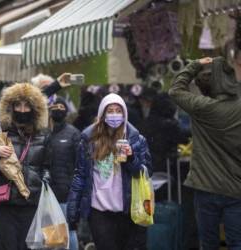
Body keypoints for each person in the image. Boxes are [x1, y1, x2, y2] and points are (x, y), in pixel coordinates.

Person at [168, 57, 241, 249]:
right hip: (236, 188)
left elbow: (175, 90)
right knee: (237, 243)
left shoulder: (203, 108)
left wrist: (195, 65)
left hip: (205, 186)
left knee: (208, 243)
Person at [67, 93, 152, 250]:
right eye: (110, 111)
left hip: (128, 209)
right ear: (102, 114)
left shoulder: (136, 140)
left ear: (124, 113)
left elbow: (145, 172)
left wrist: (131, 157)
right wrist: (73, 210)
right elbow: (80, 175)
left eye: (118, 111)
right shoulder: (89, 140)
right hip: (98, 209)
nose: (114, 115)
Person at [0, 83, 51, 250]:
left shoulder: (43, 135)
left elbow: (48, 166)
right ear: (10, 107)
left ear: (35, 109)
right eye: (17, 105)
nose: (22, 110)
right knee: (6, 245)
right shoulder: (0, 132)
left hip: (31, 201)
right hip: (3, 202)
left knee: (27, 246)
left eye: (27, 105)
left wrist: (43, 183)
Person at [48, 97, 81, 250]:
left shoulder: (73, 134)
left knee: (69, 229)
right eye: (55, 106)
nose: (58, 109)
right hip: (47, 192)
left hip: (66, 193)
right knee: (50, 230)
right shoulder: (44, 133)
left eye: (62, 106)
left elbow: (80, 164)